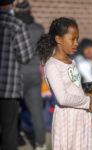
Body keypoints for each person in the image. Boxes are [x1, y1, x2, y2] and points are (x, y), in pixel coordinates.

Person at [36, 17, 92, 150]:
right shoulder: (52, 66)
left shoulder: (72, 62)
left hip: (81, 116)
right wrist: (88, 101)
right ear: (58, 39)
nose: (76, 43)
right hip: (67, 119)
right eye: (72, 39)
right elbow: (62, 98)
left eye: (77, 39)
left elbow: (76, 89)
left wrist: (89, 102)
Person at [0, 0, 34, 150]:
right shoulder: (17, 25)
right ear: (11, 5)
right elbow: (25, 56)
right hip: (8, 88)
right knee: (9, 133)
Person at [14, 1, 46, 149]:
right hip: (34, 74)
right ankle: (41, 144)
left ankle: (15, 139)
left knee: (12, 110)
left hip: (15, 74)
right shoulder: (39, 28)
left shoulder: (12, 28)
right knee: (36, 111)